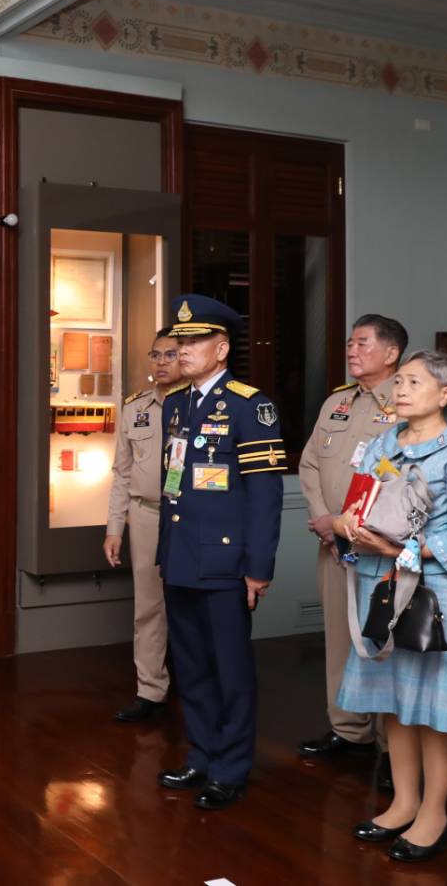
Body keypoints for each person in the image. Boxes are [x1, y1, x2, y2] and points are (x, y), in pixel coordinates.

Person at [334, 350, 447, 863]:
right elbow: (358, 502)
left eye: (413, 382)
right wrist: (347, 523)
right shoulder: (383, 442)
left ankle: (434, 812)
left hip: (432, 590)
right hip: (378, 580)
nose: (400, 390)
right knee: (394, 696)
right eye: (398, 381)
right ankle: (403, 801)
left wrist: (396, 549)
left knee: (434, 703)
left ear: (445, 394)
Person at [155, 295, 286, 811]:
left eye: (194, 341)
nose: (182, 349)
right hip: (181, 555)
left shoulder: (250, 406)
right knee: (190, 666)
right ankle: (202, 754)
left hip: (225, 562)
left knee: (230, 670)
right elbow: (174, 481)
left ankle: (230, 767)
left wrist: (258, 568)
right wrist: (165, 551)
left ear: (222, 348)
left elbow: (264, 495)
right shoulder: (176, 404)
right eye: (179, 341)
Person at [297, 315, 407, 784]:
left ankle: (393, 747)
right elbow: (309, 463)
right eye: (349, 343)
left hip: (379, 547)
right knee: (339, 640)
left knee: (383, 643)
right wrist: (325, 520)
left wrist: (348, 525)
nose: (352, 350)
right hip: (333, 543)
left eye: (363, 343)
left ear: (391, 353)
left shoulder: (407, 401)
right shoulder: (337, 402)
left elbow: (403, 480)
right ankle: (349, 730)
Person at [103, 329, 186, 723]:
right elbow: (121, 472)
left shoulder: (201, 406)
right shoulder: (135, 407)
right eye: (156, 355)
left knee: (189, 604)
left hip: (190, 516)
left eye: (171, 354)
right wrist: (114, 528)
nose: (161, 362)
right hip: (146, 514)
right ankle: (150, 690)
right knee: (149, 607)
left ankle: (197, 686)